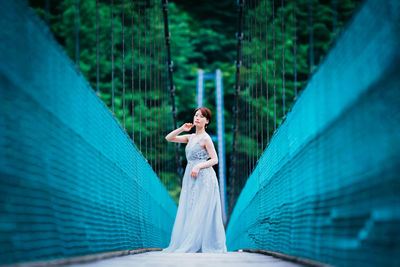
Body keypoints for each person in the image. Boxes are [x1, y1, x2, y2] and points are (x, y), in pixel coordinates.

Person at [161, 107, 227, 253]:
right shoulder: (190, 137)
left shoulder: (206, 138)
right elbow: (169, 138)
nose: (197, 118)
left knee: (201, 209)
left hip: (205, 178)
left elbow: (215, 159)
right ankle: (193, 242)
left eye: (202, 116)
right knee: (191, 208)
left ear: (207, 121)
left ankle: (201, 244)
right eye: (196, 115)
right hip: (191, 177)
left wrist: (198, 166)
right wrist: (182, 128)